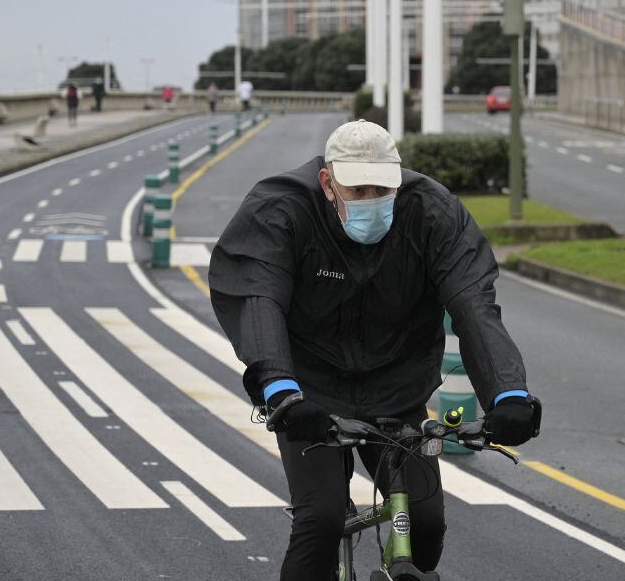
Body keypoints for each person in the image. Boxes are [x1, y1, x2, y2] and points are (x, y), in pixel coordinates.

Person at [208, 119, 540, 581]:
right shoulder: (280, 209)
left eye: (382, 191)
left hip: (397, 390)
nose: (372, 202)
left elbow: (474, 305)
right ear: (328, 183)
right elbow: (258, 295)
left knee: (426, 522)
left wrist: (508, 394)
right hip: (309, 393)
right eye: (358, 190)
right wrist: (280, 388)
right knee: (320, 519)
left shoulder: (432, 213)